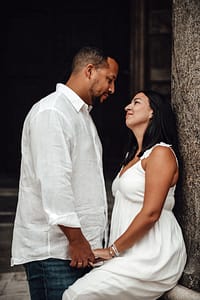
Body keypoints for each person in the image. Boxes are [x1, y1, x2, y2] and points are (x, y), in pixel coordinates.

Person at [11, 46, 119, 300]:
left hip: (77, 251)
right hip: (56, 253)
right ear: (90, 70)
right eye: (110, 79)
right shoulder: (52, 112)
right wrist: (76, 241)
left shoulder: (81, 116)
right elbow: (54, 182)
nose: (112, 89)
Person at [62, 90, 187, 300]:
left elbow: (151, 213)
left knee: (76, 295)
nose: (127, 107)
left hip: (154, 253)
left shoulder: (161, 153)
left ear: (153, 113)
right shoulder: (132, 156)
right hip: (128, 252)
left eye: (136, 103)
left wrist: (112, 251)